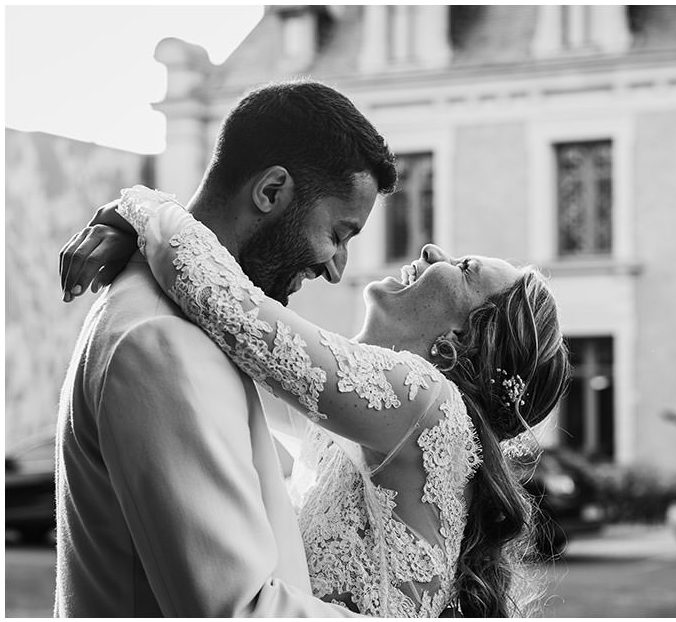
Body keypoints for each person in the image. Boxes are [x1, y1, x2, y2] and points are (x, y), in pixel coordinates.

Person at [59, 183, 570, 616]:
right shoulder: (380, 424)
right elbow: (226, 351)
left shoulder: (429, 402)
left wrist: (142, 207)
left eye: (463, 268)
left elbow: (239, 315)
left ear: (459, 341)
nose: (432, 251)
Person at [53, 80, 397, 617]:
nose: (336, 269)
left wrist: (143, 212)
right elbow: (238, 609)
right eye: (339, 233)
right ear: (270, 191)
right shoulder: (163, 341)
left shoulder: (182, 316)